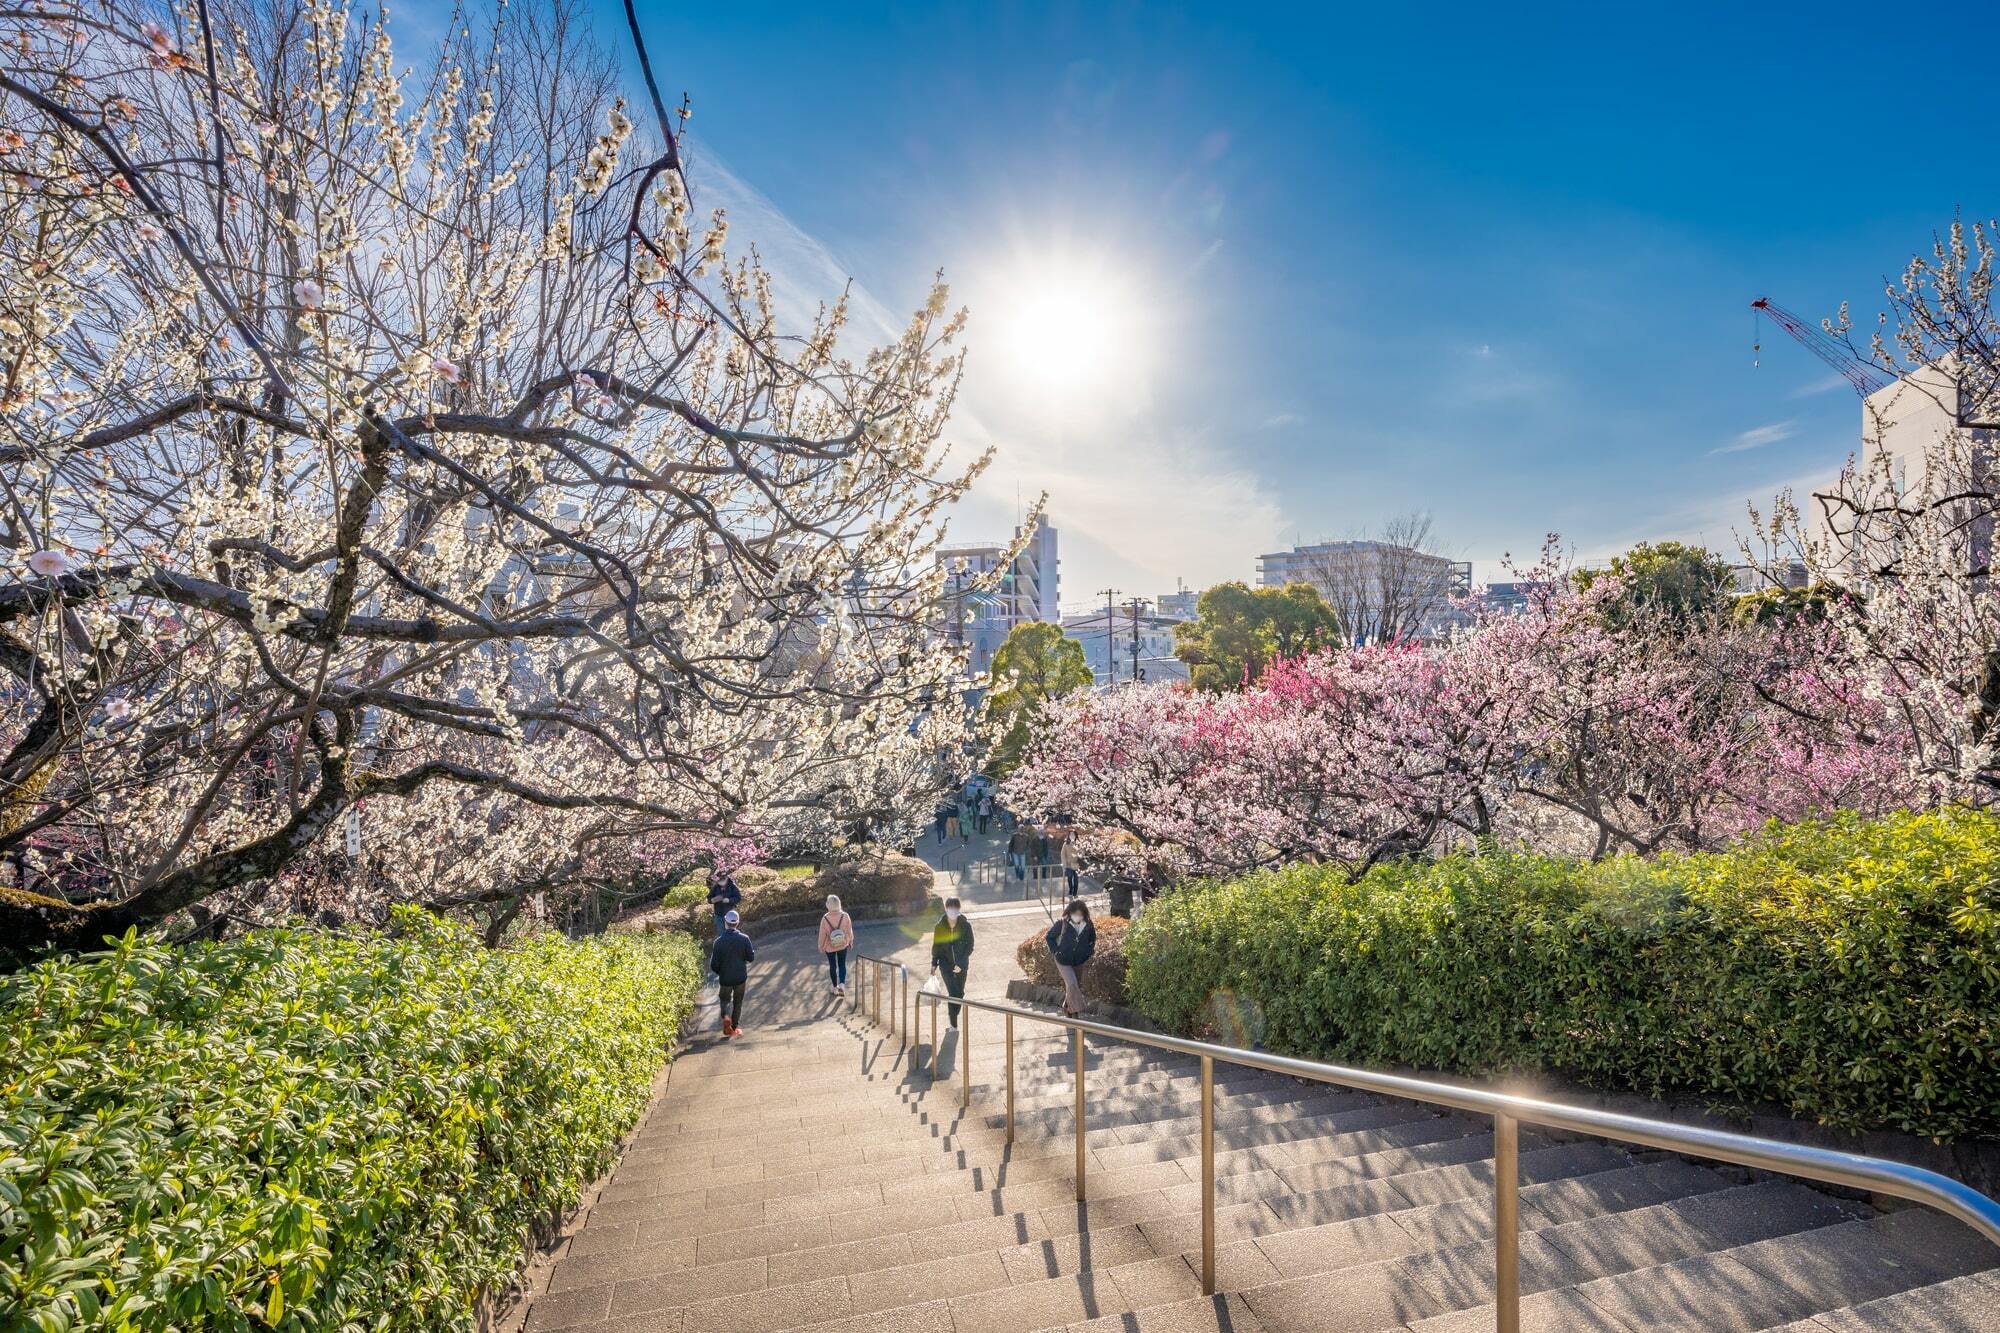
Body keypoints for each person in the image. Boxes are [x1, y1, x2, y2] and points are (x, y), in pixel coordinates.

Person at [1045, 899, 1097, 1018]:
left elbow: (1092, 939)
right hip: (1063, 960)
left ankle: (1067, 1008)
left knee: (1074, 986)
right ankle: (1076, 1012)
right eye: (1075, 914)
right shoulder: (1062, 924)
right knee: (1072, 983)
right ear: (1070, 913)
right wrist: (1055, 951)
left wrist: (1088, 952)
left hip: (1079, 960)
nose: (1077, 916)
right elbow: (1049, 937)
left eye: (1080, 914)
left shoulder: (1088, 924)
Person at [708, 909, 755, 1038]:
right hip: (740, 977)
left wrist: (721, 972)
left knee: (724, 1000)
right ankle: (734, 1027)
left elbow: (714, 965)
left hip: (725, 978)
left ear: (725, 923)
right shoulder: (745, 939)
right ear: (737, 923)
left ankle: (726, 1017)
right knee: (738, 1002)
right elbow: (751, 958)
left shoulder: (718, 942)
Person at [930, 896, 975, 1028]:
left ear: (959, 909)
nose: (952, 911)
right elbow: (936, 946)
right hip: (946, 965)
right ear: (946, 909)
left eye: (955, 908)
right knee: (953, 993)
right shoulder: (939, 927)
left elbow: (970, 946)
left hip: (962, 965)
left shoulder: (966, 926)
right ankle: (953, 1023)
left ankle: (953, 1016)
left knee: (960, 993)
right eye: (950, 908)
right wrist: (934, 964)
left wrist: (960, 964)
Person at [818, 893, 854, 996]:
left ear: (828, 905)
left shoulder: (825, 918)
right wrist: (850, 941)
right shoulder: (845, 915)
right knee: (842, 964)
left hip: (830, 947)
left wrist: (821, 946)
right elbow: (849, 930)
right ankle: (842, 984)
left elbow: (822, 934)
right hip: (843, 944)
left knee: (832, 966)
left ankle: (834, 988)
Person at [1059, 829, 1081, 895]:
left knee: (1076, 880)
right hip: (1068, 865)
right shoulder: (1066, 844)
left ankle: (1075, 892)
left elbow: (1082, 853)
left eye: (1073, 834)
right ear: (1069, 836)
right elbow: (1063, 854)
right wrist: (1064, 864)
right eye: (1070, 834)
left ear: (1075, 835)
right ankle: (1071, 889)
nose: (1072, 836)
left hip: (1077, 864)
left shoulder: (1078, 843)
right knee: (1070, 878)